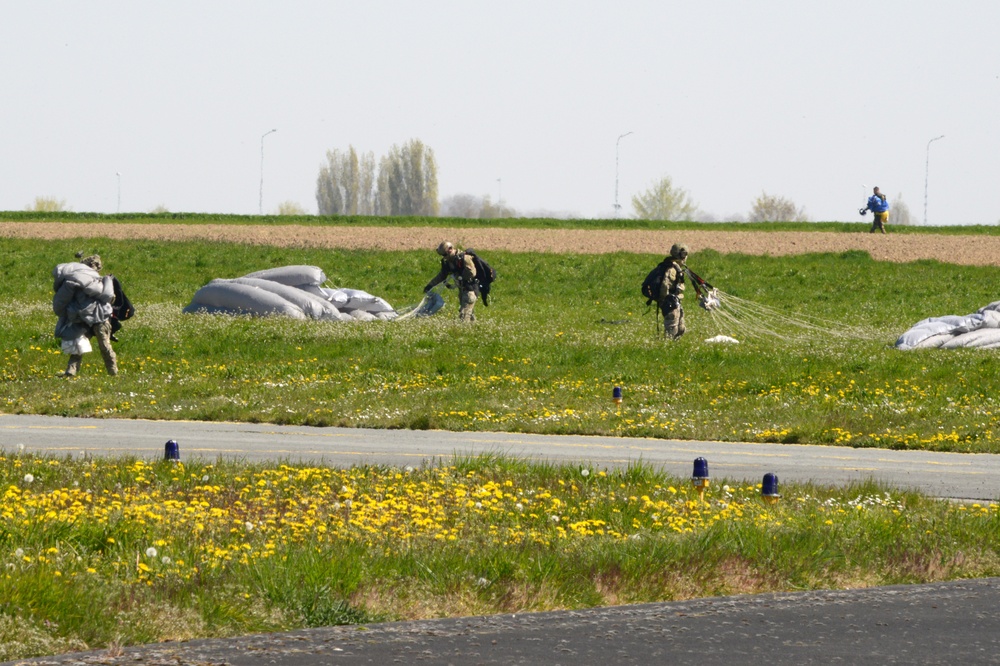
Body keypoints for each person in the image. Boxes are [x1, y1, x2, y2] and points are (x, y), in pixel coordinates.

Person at [52, 254, 118, 377]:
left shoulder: (71, 281)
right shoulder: (101, 281)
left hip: (84, 318)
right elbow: (110, 297)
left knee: (80, 344)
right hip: (97, 317)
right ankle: (112, 372)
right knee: (101, 345)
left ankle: (72, 371)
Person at [424, 241, 478, 321]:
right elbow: (442, 276)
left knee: (464, 316)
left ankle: (464, 332)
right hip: (462, 291)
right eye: (442, 255)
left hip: (470, 290)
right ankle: (473, 331)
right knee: (469, 316)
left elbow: (472, 273)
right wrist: (430, 285)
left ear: (450, 250)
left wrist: (460, 277)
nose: (444, 257)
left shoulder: (464, 258)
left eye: (445, 255)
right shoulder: (449, 262)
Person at [659, 243, 689, 340]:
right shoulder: (672, 269)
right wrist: (665, 301)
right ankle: (667, 349)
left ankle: (675, 347)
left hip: (675, 302)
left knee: (681, 329)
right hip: (670, 303)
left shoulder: (677, 267)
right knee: (671, 330)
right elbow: (664, 285)